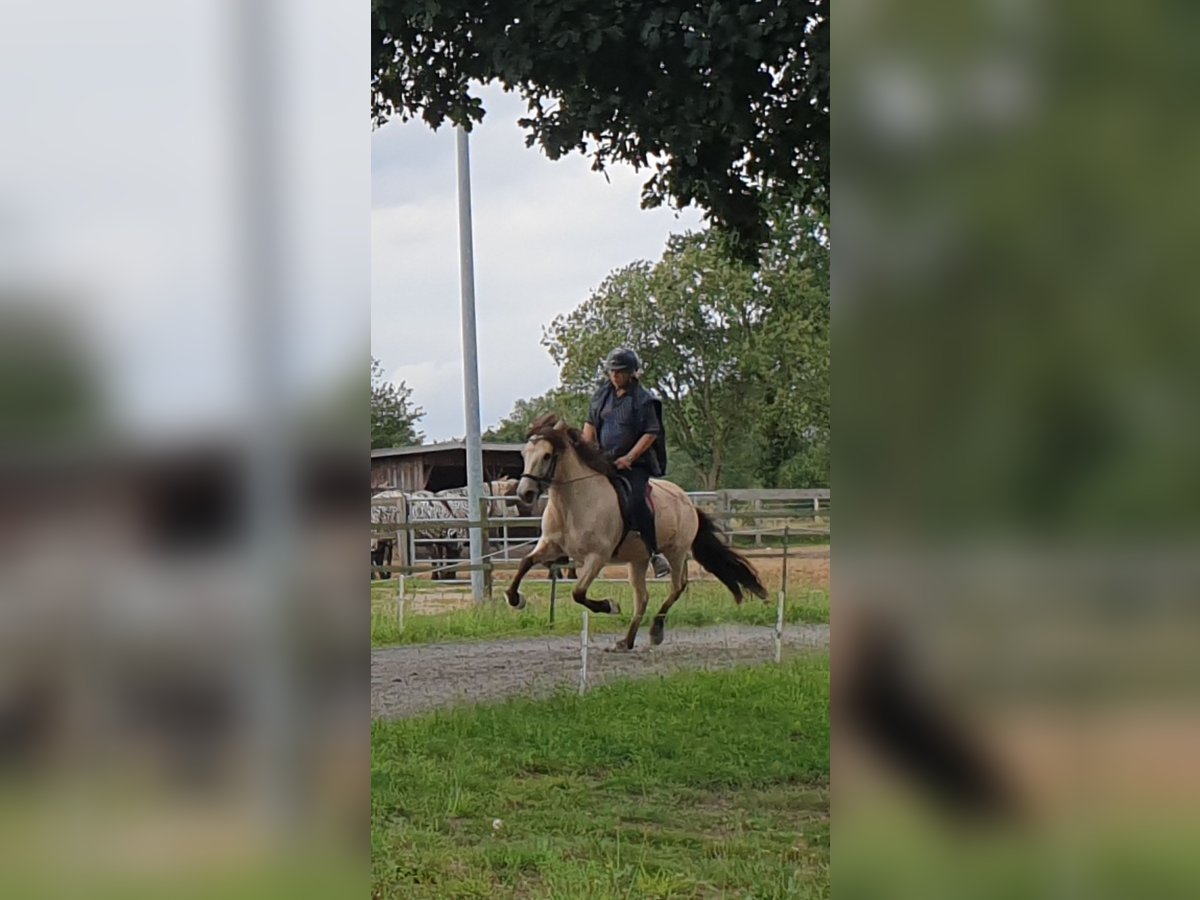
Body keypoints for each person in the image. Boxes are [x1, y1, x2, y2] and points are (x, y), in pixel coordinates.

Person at [582, 347, 671, 578]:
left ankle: (654, 553)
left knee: (636, 501)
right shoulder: (602, 395)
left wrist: (629, 457)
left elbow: (651, 432)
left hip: (634, 464)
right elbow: (590, 426)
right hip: (604, 461)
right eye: (612, 371)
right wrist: (586, 454)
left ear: (632, 373)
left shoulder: (644, 400)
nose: (615, 376)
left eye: (620, 372)